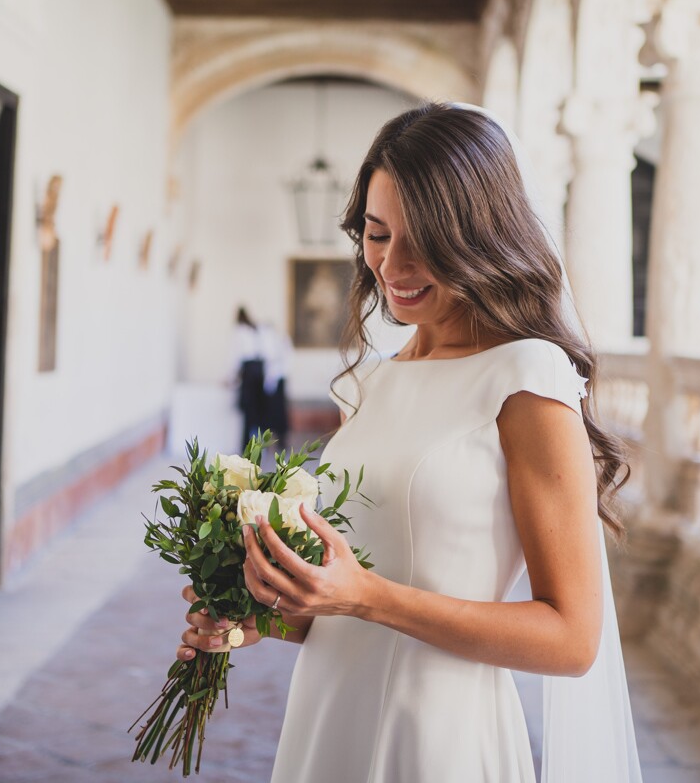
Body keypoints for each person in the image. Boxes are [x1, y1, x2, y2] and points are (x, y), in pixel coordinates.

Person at [181, 103, 641, 782]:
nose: (392, 264)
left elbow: (572, 640)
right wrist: (256, 614)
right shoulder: (370, 383)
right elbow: (334, 605)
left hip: (437, 736)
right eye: (376, 233)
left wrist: (366, 596)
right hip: (327, 711)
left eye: (422, 237)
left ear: (479, 235)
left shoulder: (528, 379)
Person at [233, 306, 271, 449]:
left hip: (249, 371)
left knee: (248, 411)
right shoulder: (256, 329)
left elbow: (235, 357)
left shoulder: (240, 331)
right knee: (258, 410)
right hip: (259, 370)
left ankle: (246, 446)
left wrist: (232, 376)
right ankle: (259, 444)